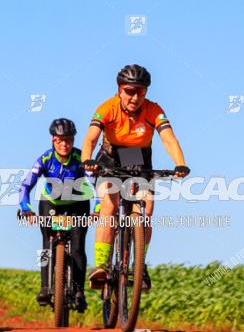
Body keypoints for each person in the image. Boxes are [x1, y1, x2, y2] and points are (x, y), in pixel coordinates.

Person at [81, 64, 189, 291]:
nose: (135, 96)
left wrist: (180, 163)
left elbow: (169, 138)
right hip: (109, 161)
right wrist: (86, 159)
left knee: (145, 211)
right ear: (120, 89)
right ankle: (101, 265)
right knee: (109, 206)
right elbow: (90, 138)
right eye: (130, 90)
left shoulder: (153, 110)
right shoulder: (107, 107)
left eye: (140, 91)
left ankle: (139, 264)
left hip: (140, 161)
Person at [19, 118, 92, 312]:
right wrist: (25, 207)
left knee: (77, 247)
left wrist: (100, 207)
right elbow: (26, 184)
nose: (64, 144)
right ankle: (45, 286)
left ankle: (79, 292)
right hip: (50, 204)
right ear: (53, 140)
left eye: (68, 140)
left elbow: (96, 182)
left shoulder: (81, 158)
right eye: (60, 140)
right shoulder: (45, 159)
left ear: (73, 140)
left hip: (78, 204)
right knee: (46, 243)